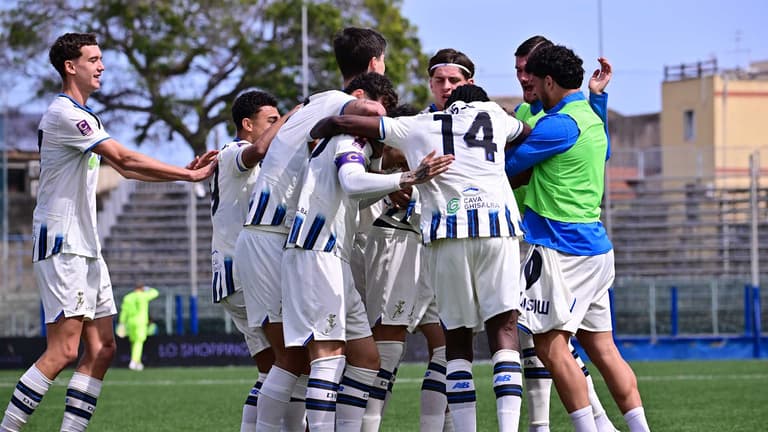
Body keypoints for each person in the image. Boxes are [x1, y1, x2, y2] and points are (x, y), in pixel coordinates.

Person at [0, 32, 217, 432]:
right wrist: (189, 174)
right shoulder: (65, 114)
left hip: (86, 246)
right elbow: (124, 156)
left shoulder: (85, 117)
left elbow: (128, 168)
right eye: (93, 59)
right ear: (71, 66)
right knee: (64, 350)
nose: (101, 66)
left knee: (102, 348)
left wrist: (181, 176)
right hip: (63, 244)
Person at [311, 83, 531, 432]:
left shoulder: (418, 123)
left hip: (446, 234)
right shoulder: (496, 116)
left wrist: (319, 128)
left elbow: (346, 124)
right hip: (496, 227)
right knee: (503, 330)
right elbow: (528, 132)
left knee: (455, 340)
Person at [233, 27, 390, 431]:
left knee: (352, 357)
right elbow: (375, 117)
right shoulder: (344, 105)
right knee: (294, 358)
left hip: (286, 238)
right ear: (374, 65)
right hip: (275, 236)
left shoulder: (316, 100)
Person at [282, 73, 453, 432]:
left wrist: (392, 186)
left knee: (365, 358)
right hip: (317, 252)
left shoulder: (353, 144)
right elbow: (351, 181)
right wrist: (406, 179)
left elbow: (355, 190)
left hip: (330, 255)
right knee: (326, 358)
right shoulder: (352, 136)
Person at [505, 45, 650, 432]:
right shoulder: (589, 116)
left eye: (533, 79)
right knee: (603, 349)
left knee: (549, 346)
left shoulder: (557, 124)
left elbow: (506, 168)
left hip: (560, 249)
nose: (528, 86)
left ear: (549, 81)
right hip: (596, 249)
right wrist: (598, 97)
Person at [209, 90, 302, 431]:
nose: (279, 126)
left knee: (272, 370)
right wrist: (296, 115)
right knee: (293, 363)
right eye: (272, 121)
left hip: (234, 275)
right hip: (243, 273)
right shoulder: (234, 152)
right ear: (247, 125)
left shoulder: (244, 159)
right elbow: (259, 149)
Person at [117, 283, 159, 371]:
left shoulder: (128, 297)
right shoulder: (144, 296)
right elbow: (155, 293)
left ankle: (138, 362)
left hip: (130, 322)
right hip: (141, 322)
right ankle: (134, 361)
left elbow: (124, 312)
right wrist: (148, 288)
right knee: (139, 342)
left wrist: (121, 323)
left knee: (134, 342)